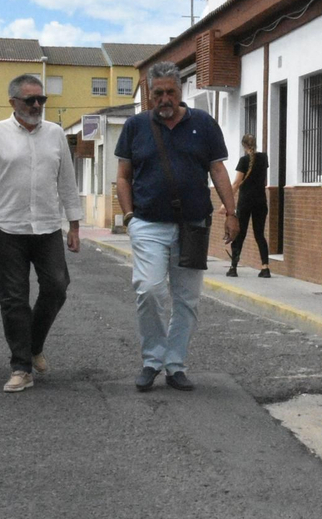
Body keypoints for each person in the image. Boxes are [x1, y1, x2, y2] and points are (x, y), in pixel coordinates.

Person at [114, 61, 238, 392]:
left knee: (187, 300)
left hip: (193, 226)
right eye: (158, 93)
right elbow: (123, 177)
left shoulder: (204, 124)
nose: (165, 99)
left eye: (171, 92)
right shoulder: (135, 127)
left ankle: (175, 364)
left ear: (180, 92)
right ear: (149, 95)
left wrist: (231, 211)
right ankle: (152, 360)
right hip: (148, 224)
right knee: (150, 290)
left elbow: (219, 170)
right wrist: (129, 217)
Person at [0, 74, 82, 394]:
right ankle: (21, 366)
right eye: (29, 100)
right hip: (6, 227)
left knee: (57, 286)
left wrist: (74, 224)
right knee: (13, 298)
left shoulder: (56, 134)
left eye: (41, 100)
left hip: (46, 226)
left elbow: (67, 183)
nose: (36, 105)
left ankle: (33, 344)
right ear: (13, 102)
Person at [226, 133, 271, 278]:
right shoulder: (264, 158)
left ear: (243, 146)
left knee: (240, 234)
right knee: (260, 234)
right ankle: (265, 268)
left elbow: (236, 183)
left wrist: (225, 202)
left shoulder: (243, 161)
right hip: (261, 202)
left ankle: (233, 267)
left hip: (245, 202)